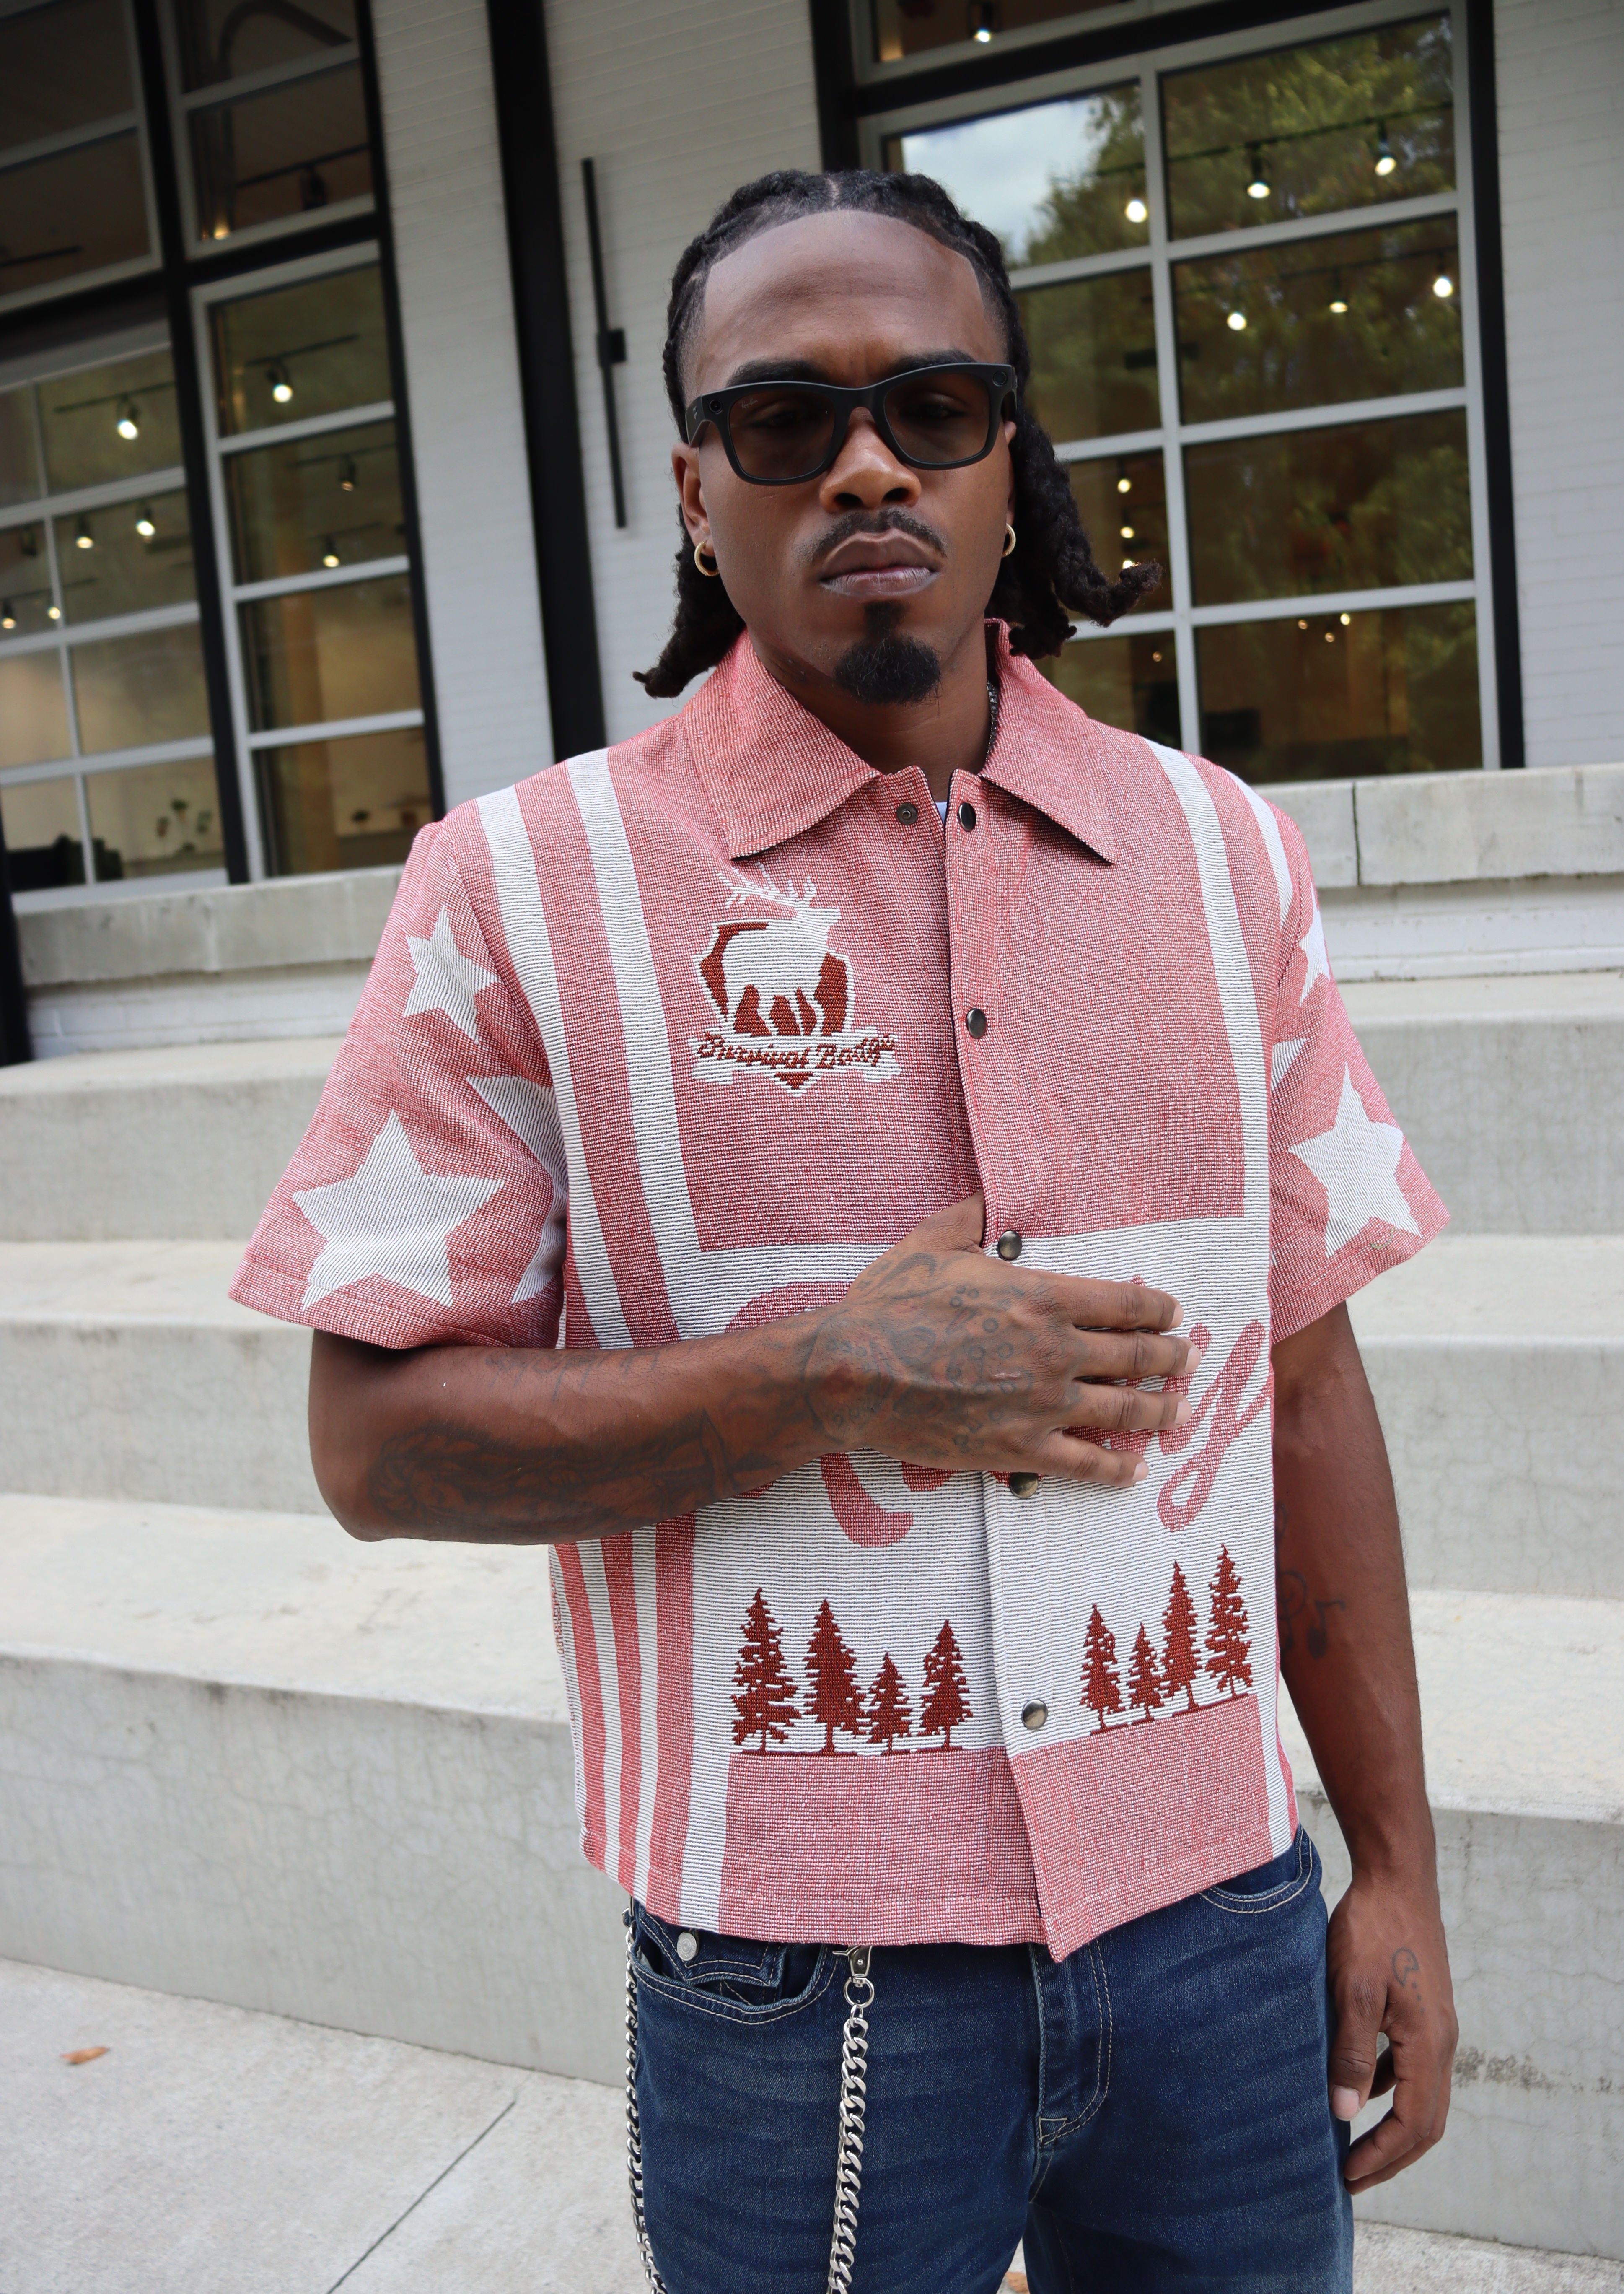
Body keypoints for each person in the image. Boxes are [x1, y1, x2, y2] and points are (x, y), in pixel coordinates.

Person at [231, 167, 1458, 2293]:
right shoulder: (519, 889)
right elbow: (373, 1450)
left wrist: (1401, 1871)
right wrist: (825, 1376)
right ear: (695, 492)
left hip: (1222, 1916)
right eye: (785, 419)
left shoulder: (1224, 856)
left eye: (933, 407)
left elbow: (1307, 1379)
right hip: (799, 1990)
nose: (867, 463)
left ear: (1006, 461)